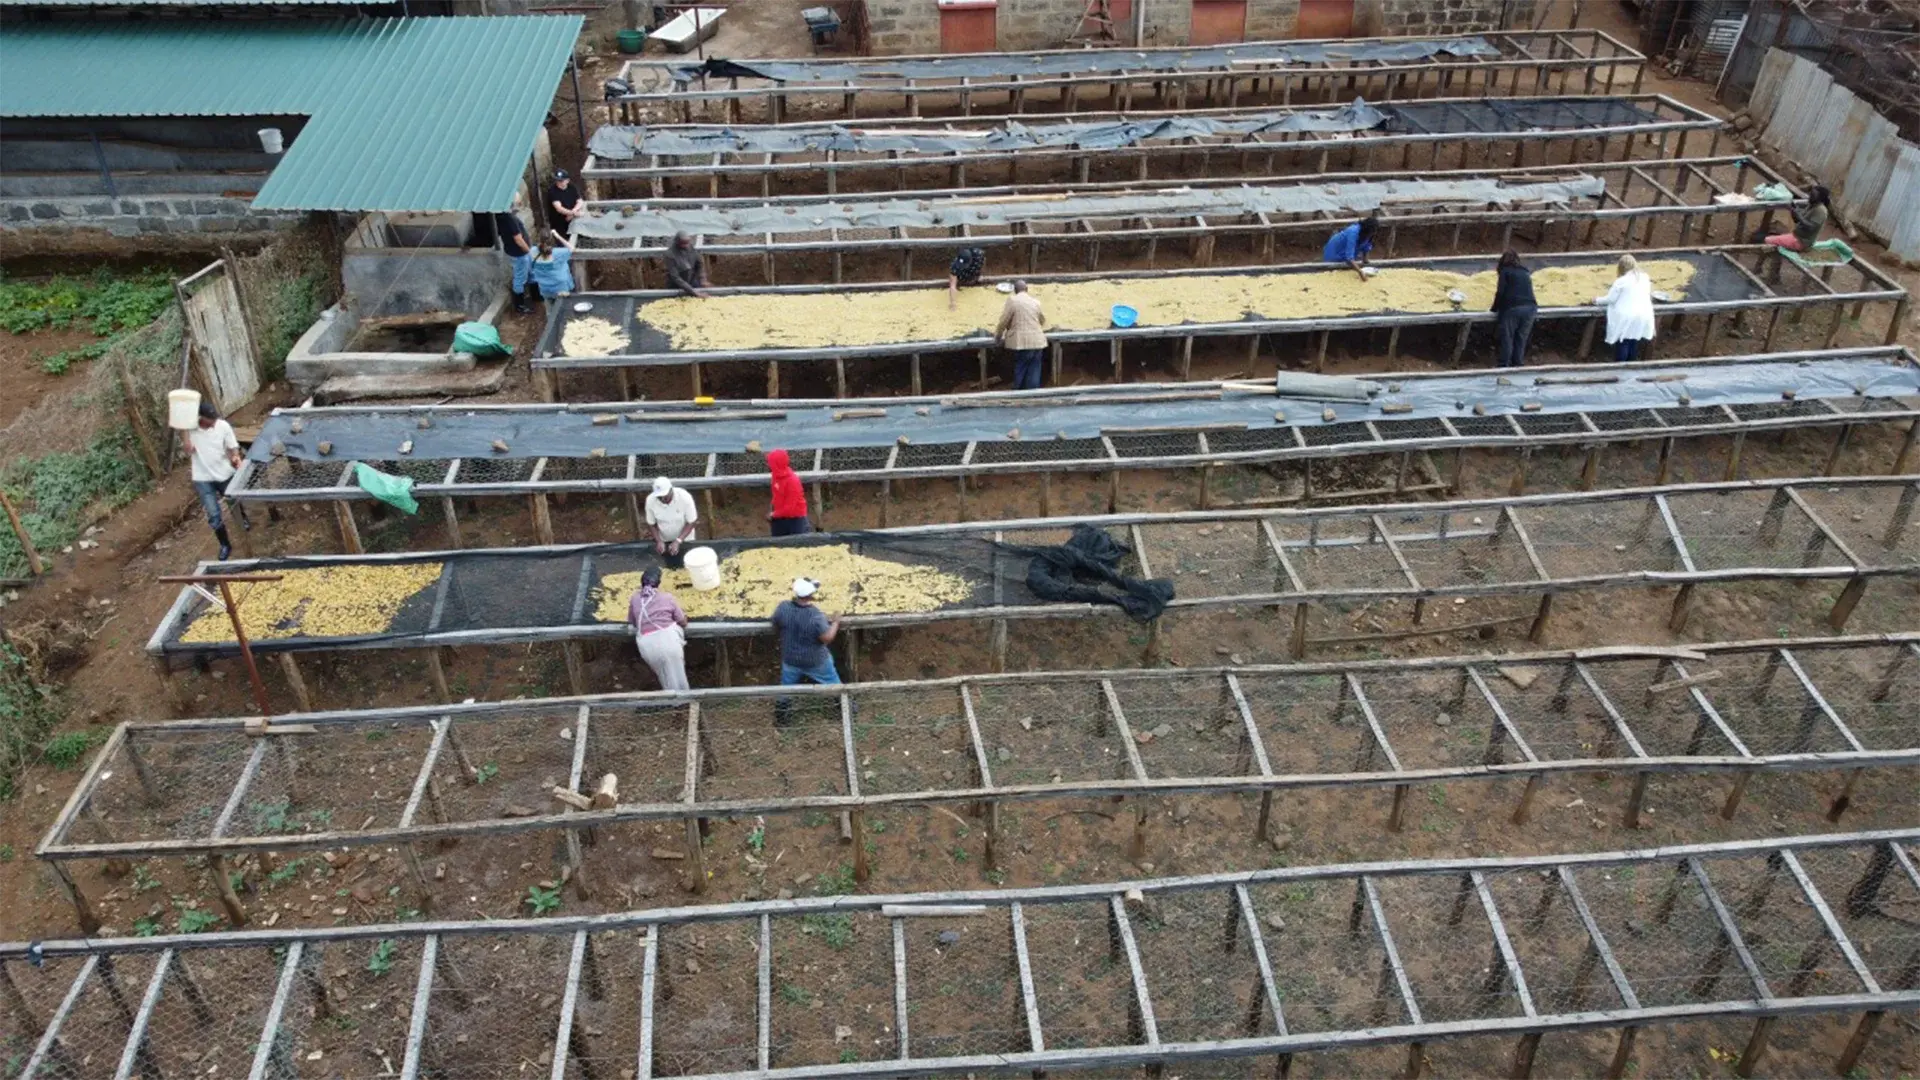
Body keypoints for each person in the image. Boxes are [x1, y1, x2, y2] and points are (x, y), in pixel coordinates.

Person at [186, 399, 250, 560]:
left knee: (233, 500)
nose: (214, 424)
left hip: (224, 473)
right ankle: (225, 544)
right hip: (203, 478)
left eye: (215, 420)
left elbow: (232, 446)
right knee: (213, 514)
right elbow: (188, 448)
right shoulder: (190, 430)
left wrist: (235, 456)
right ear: (200, 418)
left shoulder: (223, 426)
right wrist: (185, 436)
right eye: (210, 421)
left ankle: (243, 519)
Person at [771, 577, 841, 725]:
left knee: (786, 688)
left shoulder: (783, 608)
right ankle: (845, 707)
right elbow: (827, 638)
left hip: (791, 659)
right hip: (815, 660)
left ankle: (781, 718)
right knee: (834, 682)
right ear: (811, 596)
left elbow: (775, 624)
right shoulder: (815, 616)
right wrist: (835, 623)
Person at [627, 567, 691, 691]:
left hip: (649, 646)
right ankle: (684, 698)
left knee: (665, 675)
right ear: (659, 583)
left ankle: (672, 700)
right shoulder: (667, 598)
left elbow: (633, 622)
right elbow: (682, 622)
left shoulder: (635, 599)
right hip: (669, 641)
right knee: (678, 672)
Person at [1593, 254, 1656, 364]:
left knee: (1623, 341)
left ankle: (1620, 367)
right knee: (1634, 340)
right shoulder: (1645, 277)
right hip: (1643, 314)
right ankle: (1631, 366)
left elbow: (1611, 299)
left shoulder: (1621, 281)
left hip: (1627, 316)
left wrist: (1597, 300)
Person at [994, 280, 1048, 391]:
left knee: (1021, 367)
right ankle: (1033, 394)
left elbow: (1003, 321)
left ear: (1015, 290)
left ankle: (1018, 393)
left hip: (1022, 342)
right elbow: (1042, 320)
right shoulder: (1035, 302)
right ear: (1027, 289)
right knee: (1034, 368)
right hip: (1038, 341)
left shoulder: (1012, 301)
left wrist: (998, 337)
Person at [1490, 249, 1538, 370]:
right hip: (1530, 308)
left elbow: (1500, 292)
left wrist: (1494, 308)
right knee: (1521, 337)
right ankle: (1518, 364)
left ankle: (1504, 365)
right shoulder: (1525, 272)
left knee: (1508, 337)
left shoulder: (1505, 271)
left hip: (1513, 308)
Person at [1758, 184, 1830, 254]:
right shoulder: (1811, 205)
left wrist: (1798, 215)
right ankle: (1775, 264)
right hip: (1796, 236)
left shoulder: (1821, 211)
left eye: (1813, 195)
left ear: (1820, 198)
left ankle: (1759, 264)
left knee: (1767, 240)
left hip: (1802, 242)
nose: (1810, 196)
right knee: (1776, 240)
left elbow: (1810, 228)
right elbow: (1796, 221)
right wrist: (1792, 210)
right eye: (1811, 193)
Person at [644, 476, 698, 567]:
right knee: (669, 565)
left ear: (671, 490)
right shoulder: (650, 501)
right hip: (664, 539)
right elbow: (651, 524)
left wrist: (678, 541)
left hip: (685, 539)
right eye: (659, 497)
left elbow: (691, 521)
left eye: (665, 496)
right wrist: (659, 541)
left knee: (688, 563)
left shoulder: (684, 497)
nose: (662, 499)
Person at [766, 448, 811, 535]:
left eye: (770, 462)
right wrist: (772, 508)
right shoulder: (775, 476)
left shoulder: (792, 481)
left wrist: (773, 514)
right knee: (778, 546)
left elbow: (790, 508)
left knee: (797, 546)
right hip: (779, 517)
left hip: (796, 519)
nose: (768, 465)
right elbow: (776, 495)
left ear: (776, 464)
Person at [1323, 211, 1380, 279]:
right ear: (1366, 229)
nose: (1374, 234)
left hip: (1346, 256)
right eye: (1372, 232)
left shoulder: (1368, 234)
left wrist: (1366, 263)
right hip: (1334, 253)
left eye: (1374, 232)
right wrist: (1360, 272)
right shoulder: (1353, 232)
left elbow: (1366, 248)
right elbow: (1349, 257)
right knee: (1334, 275)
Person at [498, 210, 535, 314]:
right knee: (520, 279)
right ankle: (520, 306)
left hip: (513, 251)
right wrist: (529, 251)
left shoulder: (500, 216)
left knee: (530, 272)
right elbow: (518, 239)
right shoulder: (510, 219)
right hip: (520, 253)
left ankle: (535, 296)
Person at [531, 231, 576, 306]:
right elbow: (571, 248)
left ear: (538, 241)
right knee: (564, 308)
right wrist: (558, 236)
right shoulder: (558, 253)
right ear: (552, 242)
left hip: (544, 287)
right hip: (560, 288)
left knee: (550, 309)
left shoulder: (532, 251)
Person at [664, 232, 707, 297]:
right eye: (683, 244)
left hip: (691, 280)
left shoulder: (690, 247)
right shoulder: (670, 255)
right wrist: (694, 292)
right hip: (677, 285)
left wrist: (702, 279)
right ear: (677, 242)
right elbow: (675, 277)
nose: (686, 245)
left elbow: (699, 263)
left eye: (687, 243)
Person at [545, 169, 583, 236]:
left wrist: (574, 211)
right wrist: (573, 213)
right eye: (557, 180)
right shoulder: (552, 191)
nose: (558, 183)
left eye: (561, 181)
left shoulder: (572, 187)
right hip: (559, 224)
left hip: (572, 220)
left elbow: (580, 201)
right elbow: (559, 208)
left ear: (567, 181)